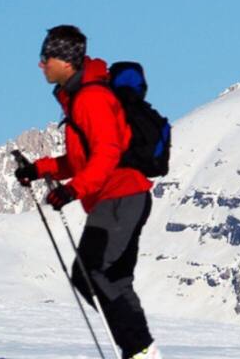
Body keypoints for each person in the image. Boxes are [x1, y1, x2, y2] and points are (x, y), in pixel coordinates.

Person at [13, 25, 160, 359]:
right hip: (121, 196)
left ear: (66, 60)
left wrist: (72, 191)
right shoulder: (81, 96)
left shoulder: (91, 97)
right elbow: (84, 158)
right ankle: (140, 352)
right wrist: (40, 169)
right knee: (114, 278)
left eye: (45, 57)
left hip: (120, 195)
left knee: (90, 273)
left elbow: (107, 152)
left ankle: (139, 350)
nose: (41, 65)